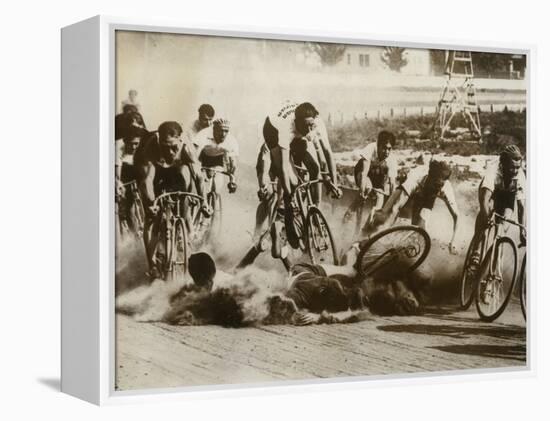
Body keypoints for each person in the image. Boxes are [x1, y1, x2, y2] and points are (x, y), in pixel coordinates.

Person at [257, 101, 341, 253]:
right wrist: (289, 194)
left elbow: (328, 154)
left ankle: (315, 207)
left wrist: (334, 183)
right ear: (296, 123)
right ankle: (287, 214)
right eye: (306, 126)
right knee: (292, 181)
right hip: (272, 129)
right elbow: (283, 167)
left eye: (311, 126)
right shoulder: (286, 129)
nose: (309, 129)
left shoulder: (316, 123)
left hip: (296, 129)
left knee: (314, 168)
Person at [134, 121, 211, 277]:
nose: (169, 151)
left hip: (177, 172)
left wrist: (204, 202)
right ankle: (153, 265)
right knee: (151, 218)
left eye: (173, 146)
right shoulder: (152, 145)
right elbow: (148, 179)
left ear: (180, 139)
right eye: (165, 146)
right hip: (156, 173)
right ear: (159, 139)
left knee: (185, 174)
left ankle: (186, 231)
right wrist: (151, 204)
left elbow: (198, 177)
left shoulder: (186, 147)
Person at [366, 160, 460, 254]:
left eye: (440, 186)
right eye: (436, 185)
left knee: (421, 230)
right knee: (387, 214)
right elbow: (396, 207)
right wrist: (383, 231)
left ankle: (405, 251)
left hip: (428, 198)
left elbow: (457, 216)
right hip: (414, 189)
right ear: (430, 177)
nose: (438, 189)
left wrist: (453, 242)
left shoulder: (446, 189)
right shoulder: (416, 177)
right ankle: (368, 236)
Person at [467, 144, 526, 271]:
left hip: (508, 199)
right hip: (492, 194)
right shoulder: (493, 170)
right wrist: (485, 216)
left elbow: (521, 207)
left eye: (517, 167)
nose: (515, 171)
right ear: (504, 164)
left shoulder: (520, 176)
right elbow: (485, 198)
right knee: (486, 214)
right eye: (512, 168)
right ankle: (476, 251)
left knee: (501, 229)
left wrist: (522, 230)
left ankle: (494, 268)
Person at [343, 130, 398, 227]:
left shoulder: (392, 159)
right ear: (378, 145)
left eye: (389, 149)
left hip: (378, 175)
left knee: (380, 197)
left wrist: (392, 203)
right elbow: (364, 173)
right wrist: (362, 189)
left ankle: (368, 227)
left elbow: (392, 183)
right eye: (384, 148)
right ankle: (349, 214)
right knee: (366, 189)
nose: (386, 152)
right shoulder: (371, 148)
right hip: (363, 172)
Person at [195, 117, 239, 194]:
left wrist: (232, 181)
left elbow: (233, 164)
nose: (223, 134)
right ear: (214, 130)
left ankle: (216, 201)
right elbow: (194, 154)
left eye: (226, 131)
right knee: (202, 187)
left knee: (217, 187)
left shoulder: (231, 140)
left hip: (218, 159)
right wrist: (196, 168)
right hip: (203, 158)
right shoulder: (203, 134)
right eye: (220, 131)